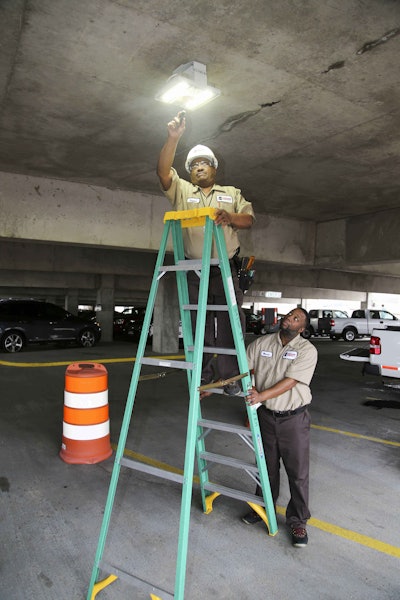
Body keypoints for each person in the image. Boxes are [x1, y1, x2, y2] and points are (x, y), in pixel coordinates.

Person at [157, 111, 255, 395]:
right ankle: (202, 379)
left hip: (225, 269)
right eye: (194, 165)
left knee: (227, 323)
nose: (199, 167)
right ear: (190, 172)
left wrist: (230, 217)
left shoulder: (231, 192)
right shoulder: (183, 191)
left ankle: (229, 379)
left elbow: (248, 220)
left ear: (214, 168)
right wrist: (173, 138)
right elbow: (163, 173)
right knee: (197, 324)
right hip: (195, 270)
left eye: (205, 163)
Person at [242, 307, 318, 547]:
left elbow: (291, 381)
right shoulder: (262, 343)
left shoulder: (307, 351)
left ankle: (297, 521)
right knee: (265, 467)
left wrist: (261, 395)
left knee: (297, 473)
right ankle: (262, 508)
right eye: (288, 315)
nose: (289, 318)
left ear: (301, 328)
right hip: (266, 416)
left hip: (293, 419)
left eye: (295, 318)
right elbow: (241, 368)